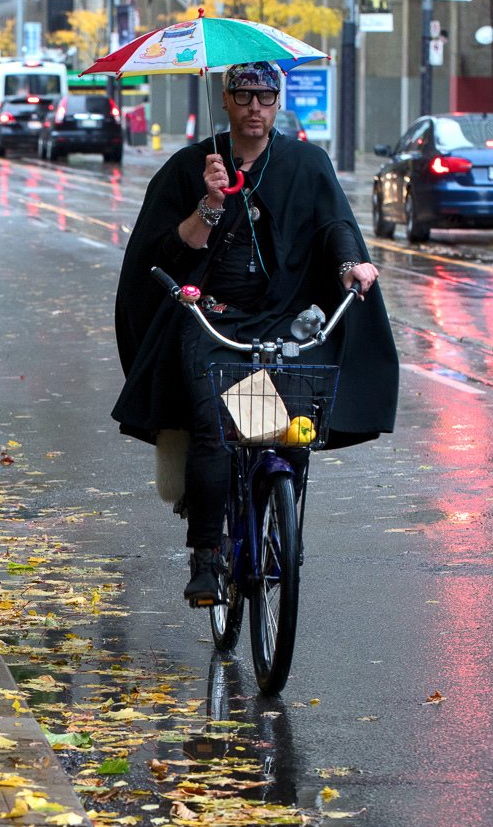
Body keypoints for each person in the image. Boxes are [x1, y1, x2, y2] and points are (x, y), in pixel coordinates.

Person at [112, 61, 399, 604]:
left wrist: (349, 267)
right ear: (226, 99)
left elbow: (334, 226)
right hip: (210, 317)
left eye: (265, 96)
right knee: (217, 424)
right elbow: (166, 256)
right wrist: (210, 205)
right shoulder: (191, 167)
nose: (255, 107)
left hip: (281, 318)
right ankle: (206, 553)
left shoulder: (306, 163)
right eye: (244, 96)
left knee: (287, 427)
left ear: (276, 101)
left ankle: (278, 516)